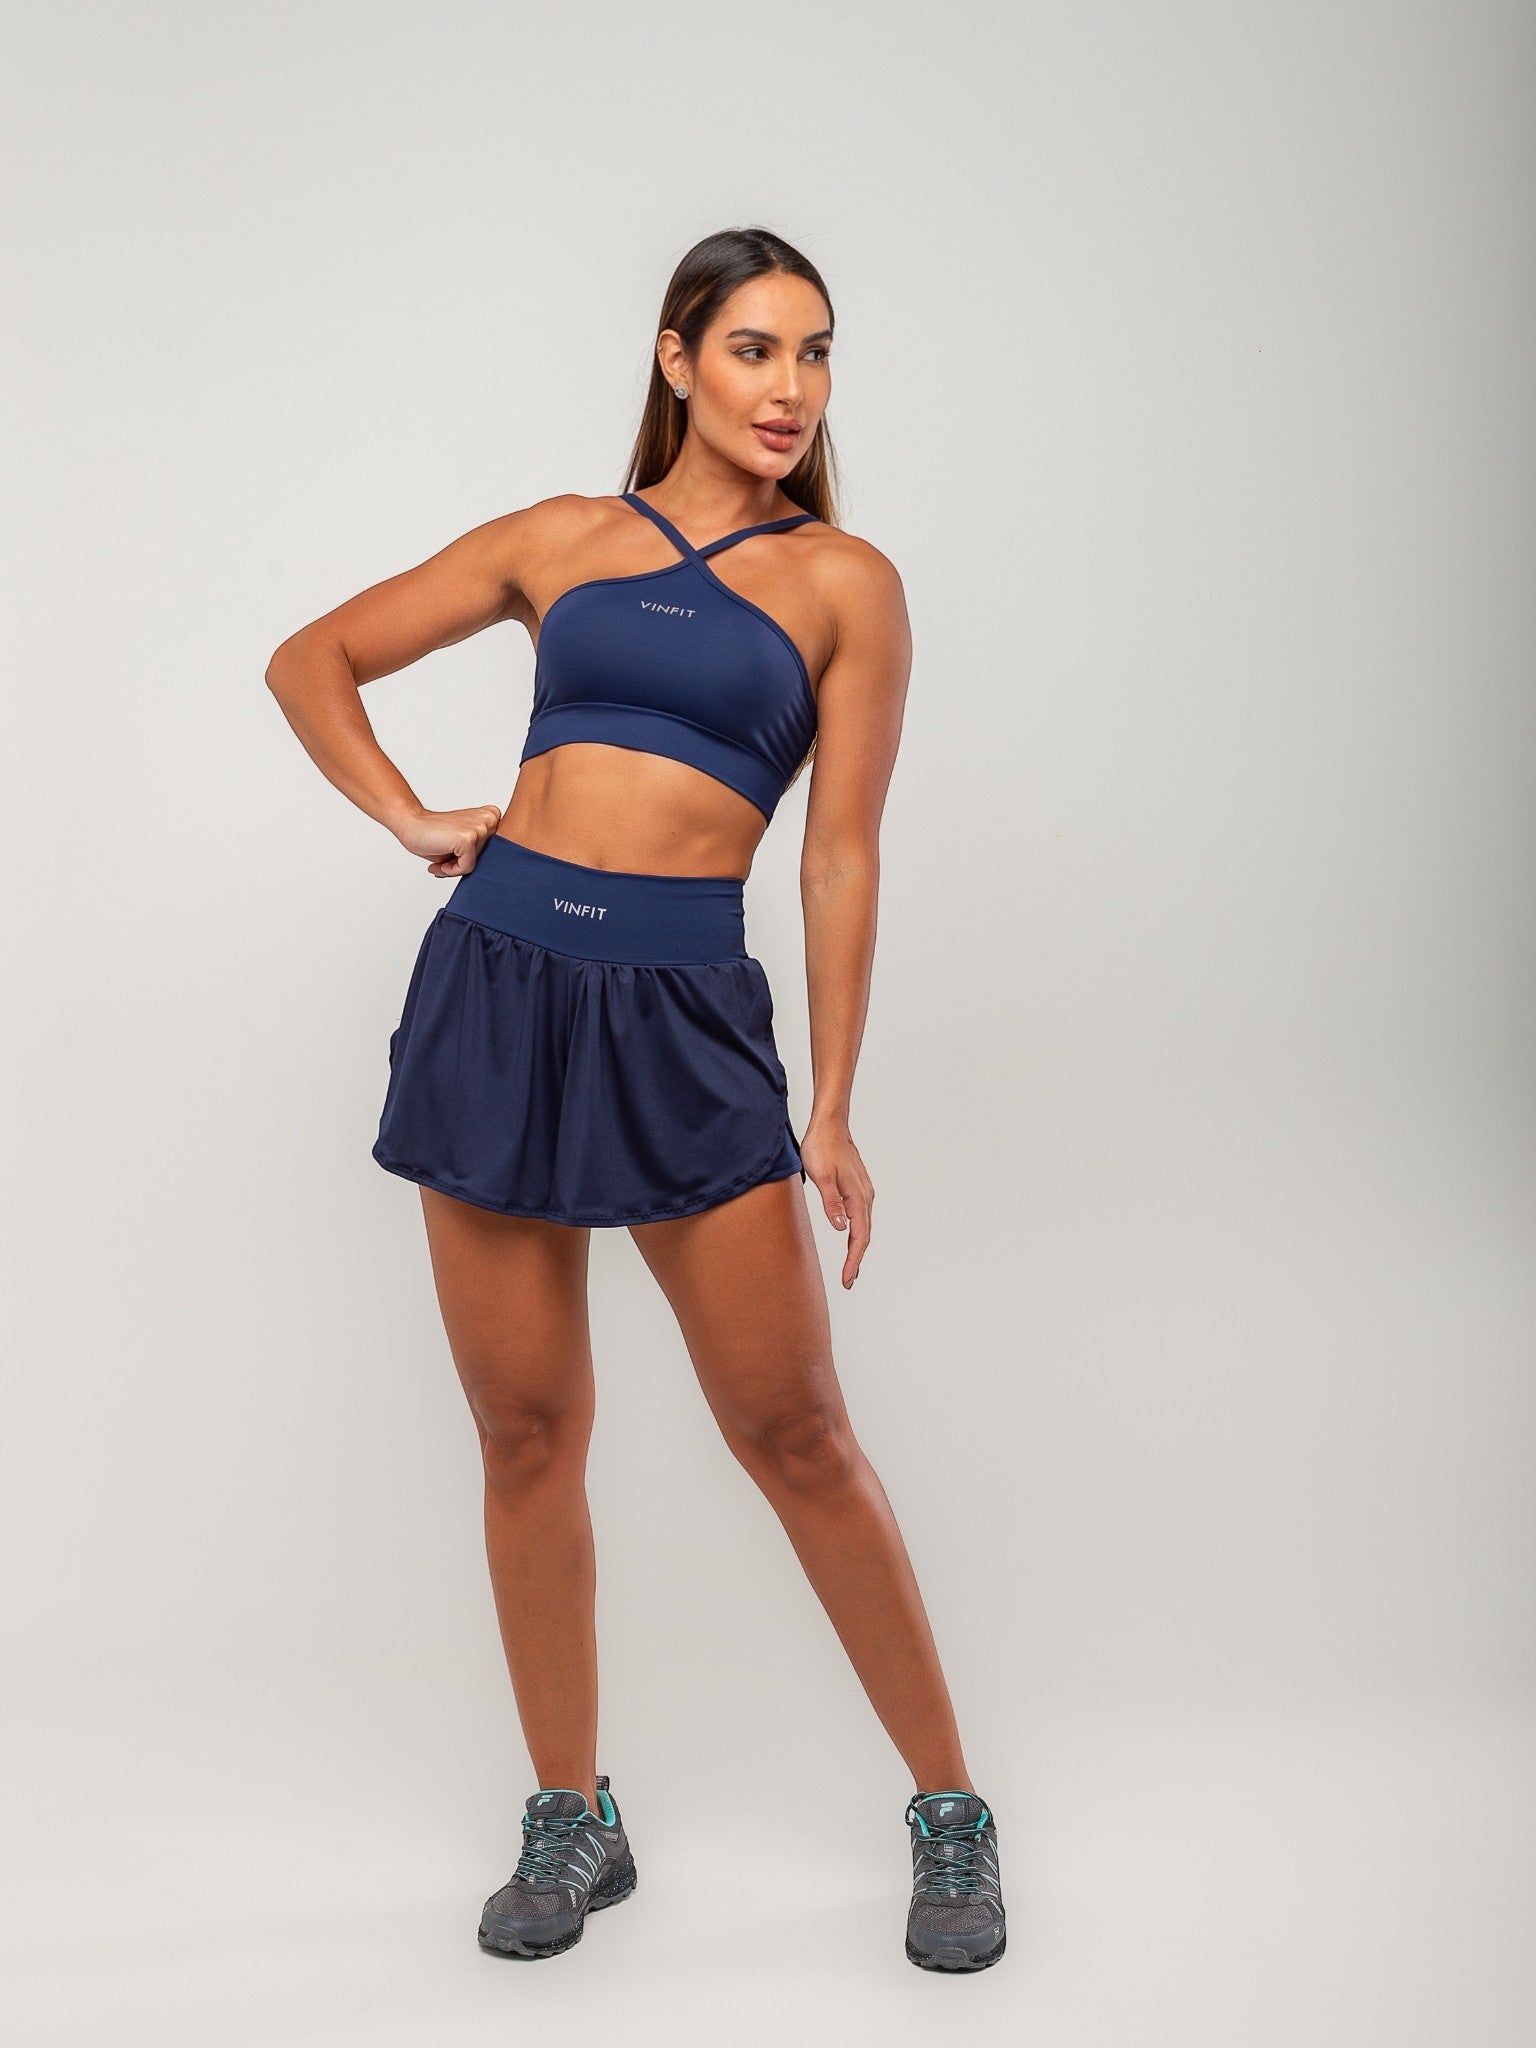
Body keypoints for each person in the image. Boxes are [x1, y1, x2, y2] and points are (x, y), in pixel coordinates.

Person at [265, 225, 1007, 1974]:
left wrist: (831, 1106)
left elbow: (838, 855)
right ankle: (571, 1813)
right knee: (527, 1431)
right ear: (677, 359)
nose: (791, 388)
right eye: (755, 349)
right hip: (499, 986)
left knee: (795, 1432)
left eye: (815, 354)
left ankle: (950, 1810)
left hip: (683, 1017)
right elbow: (313, 658)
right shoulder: (561, 540)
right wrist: (412, 814)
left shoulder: (846, 583)